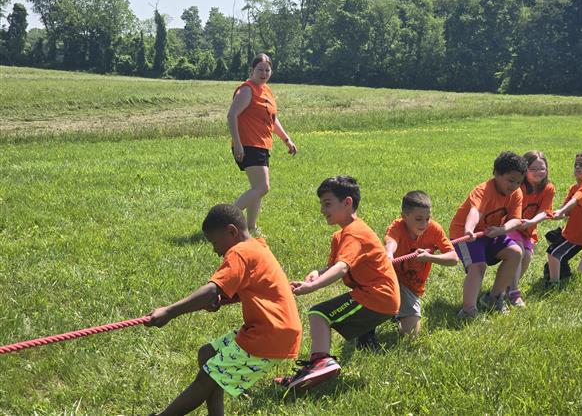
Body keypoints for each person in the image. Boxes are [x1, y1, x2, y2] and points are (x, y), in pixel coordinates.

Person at [146, 204, 302, 416]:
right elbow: (249, 286)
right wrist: (224, 297)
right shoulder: (257, 247)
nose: (215, 249)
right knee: (208, 354)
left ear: (231, 231)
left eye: (215, 242)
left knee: (206, 378)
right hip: (272, 329)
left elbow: (212, 289)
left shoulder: (240, 252)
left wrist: (169, 311)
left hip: (268, 334)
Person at [275, 176, 400, 390]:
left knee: (319, 314)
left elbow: (342, 268)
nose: (323, 210)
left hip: (378, 296)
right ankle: (318, 364)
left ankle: (320, 362)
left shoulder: (355, 233)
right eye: (321, 204)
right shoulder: (341, 235)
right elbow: (336, 265)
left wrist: (313, 287)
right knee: (321, 314)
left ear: (347, 202)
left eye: (327, 203)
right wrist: (317, 272)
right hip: (374, 296)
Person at [357, 190, 457, 343]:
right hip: (392, 279)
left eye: (427, 218)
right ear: (404, 216)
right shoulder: (397, 227)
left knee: (410, 336)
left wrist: (430, 257)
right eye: (418, 219)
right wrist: (389, 254)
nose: (424, 224)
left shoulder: (434, 229)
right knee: (378, 292)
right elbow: (391, 242)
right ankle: (366, 330)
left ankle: (395, 312)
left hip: (412, 287)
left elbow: (453, 258)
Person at [449, 151, 527, 318]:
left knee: (516, 253)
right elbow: (475, 211)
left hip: (491, 233)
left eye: (519, 182)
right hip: (465, 234)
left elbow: (516, 220)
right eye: (510, 180)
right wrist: (469, 229)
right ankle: (468, 311)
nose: (514, 186)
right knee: (478, 266)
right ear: (496, 174)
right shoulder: (483, 191)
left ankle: (494, 298)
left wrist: (501, 230)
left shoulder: (516, 193)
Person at [227, 53, 297, 234]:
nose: (264, 73)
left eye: (267, 70)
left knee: (256, 189)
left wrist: (286, 139)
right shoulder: (247, 89)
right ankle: (225, 219)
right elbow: (232, 115)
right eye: (260, 70)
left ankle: (251, 227)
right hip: (248, 145)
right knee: (262, 187)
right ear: (252, 70)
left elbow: (272, 119)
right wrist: (238, 143)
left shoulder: (266, 90)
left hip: (262, 145)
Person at [505, 151, 555, 306]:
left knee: (526, 257)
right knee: (518, 251)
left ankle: (505, 286)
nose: (538, 172)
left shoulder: (548, 188)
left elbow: (545, 212)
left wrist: (530, 222)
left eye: (542, 169)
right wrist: (519, 222)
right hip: (511, 225)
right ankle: (514, 292)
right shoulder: (518, 186)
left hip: (528, 229)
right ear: (524, 169)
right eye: (532, 169)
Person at [546, 153, 582, 284]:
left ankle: (554, 284)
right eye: (576, 165)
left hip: (579, 232)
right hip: (581, 230)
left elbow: (576, 200)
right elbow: (567, 210)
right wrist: (557, 214)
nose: (577, 167)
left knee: (553, 253)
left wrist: (562, 210)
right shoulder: (574, 188)